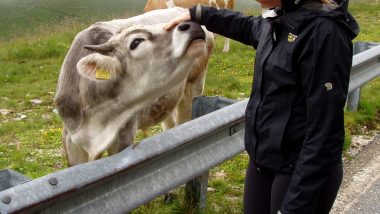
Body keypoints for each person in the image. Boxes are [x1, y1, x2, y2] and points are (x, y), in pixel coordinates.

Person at [165, 0, 359, 213]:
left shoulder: (324, 33)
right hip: (264, 158)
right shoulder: (281, 19)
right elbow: (247, 27)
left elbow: (325, 135)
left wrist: (294, 208)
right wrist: (200, 14)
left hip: (303, 169)